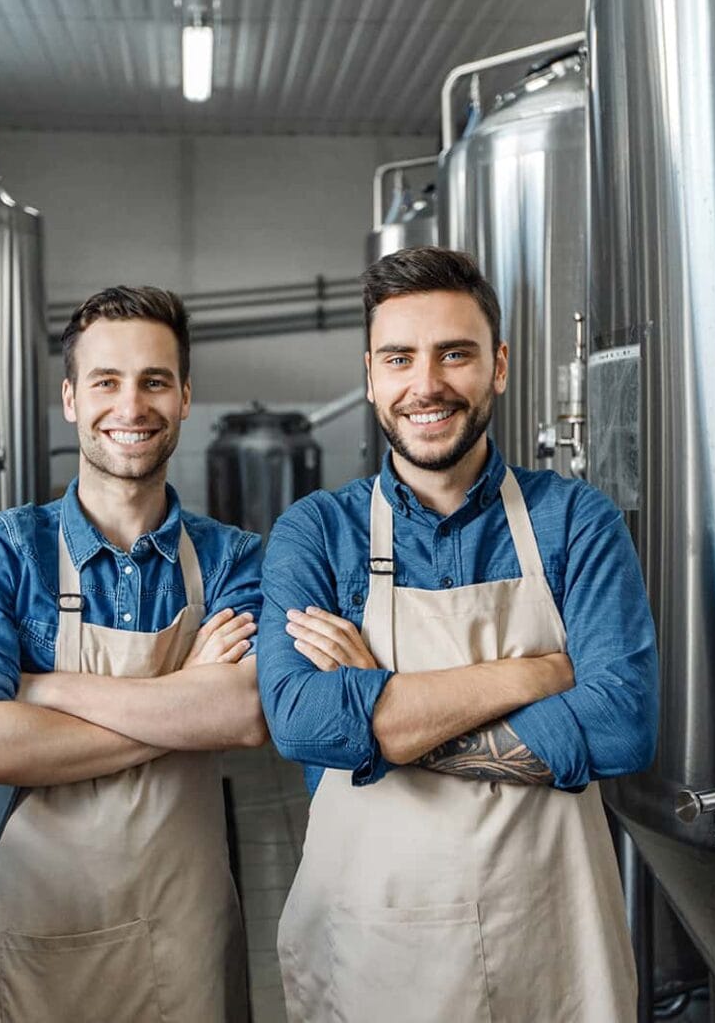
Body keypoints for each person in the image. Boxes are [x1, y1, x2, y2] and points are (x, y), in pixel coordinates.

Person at [258, 247, 657, 1023]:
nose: (426, 384)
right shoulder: (315, 533)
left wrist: (379, 723)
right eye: (399, 358)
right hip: (371, 950)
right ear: (371, 374)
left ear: (497, 366)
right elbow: (301, 722)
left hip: (549, 950)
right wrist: (535, 674)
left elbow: (620, 726)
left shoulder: (576, 522)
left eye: (455, 354)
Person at [0, 285, 267, 1023]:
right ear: (71, 399)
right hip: (32, 961)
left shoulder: (234, 558)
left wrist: (41, 692)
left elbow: (241, 714)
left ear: (183, 399)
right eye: (106, 381)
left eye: (154, 381)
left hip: (186, 961)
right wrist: (183, 698)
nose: (131, 405)